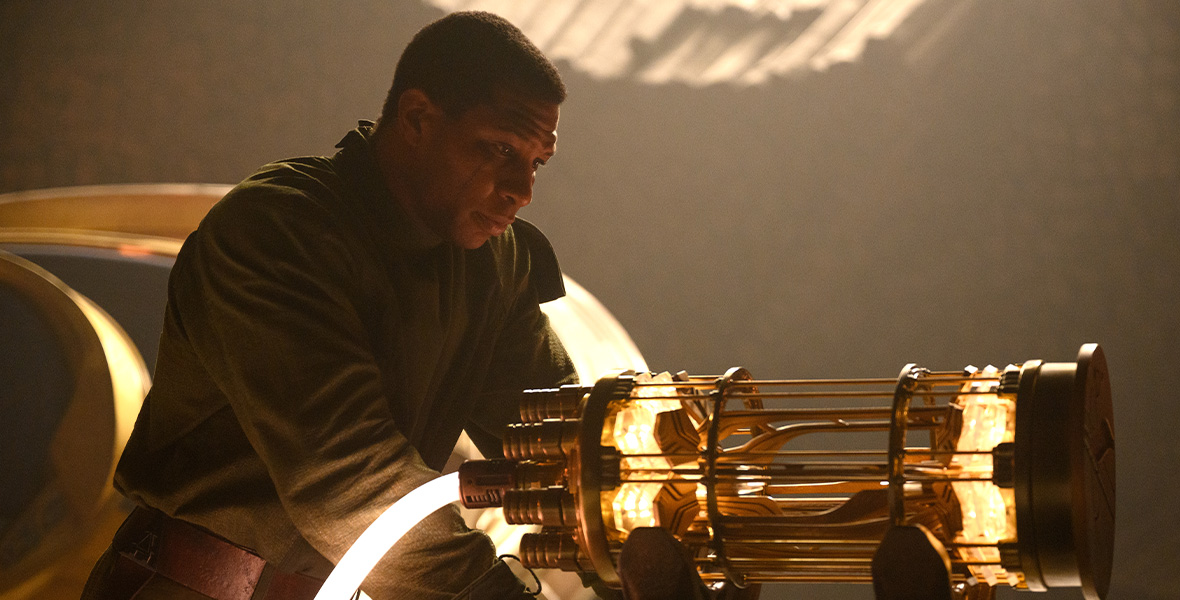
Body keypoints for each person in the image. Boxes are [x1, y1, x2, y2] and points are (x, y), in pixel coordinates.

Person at [82, 11, 577, 600]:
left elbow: (560, 436)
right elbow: (347, 482)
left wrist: (660, 507)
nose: (522, 189)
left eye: (536, 162)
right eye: (498, 149)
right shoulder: (276, 230)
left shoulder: (500, 264)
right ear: (416, 117)